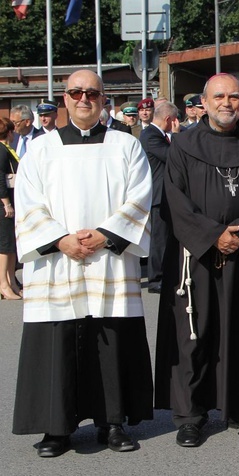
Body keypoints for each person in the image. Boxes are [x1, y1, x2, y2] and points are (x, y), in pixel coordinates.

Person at [12, 69, 154, 457]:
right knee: (58, 340)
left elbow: (140, 196)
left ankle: (114, 423)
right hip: (58, 261)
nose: (84, 99)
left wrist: (106, 235)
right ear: (64, 98)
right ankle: (57, 428)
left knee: (110, 340)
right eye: (76, 92)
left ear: (103, 98)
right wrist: (60, 239)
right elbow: (28, 202)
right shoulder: (41, 149)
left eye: (92, 93)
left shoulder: (125, 145)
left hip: (108, 258)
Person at [154, 73, 239, 448]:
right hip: (194, 256)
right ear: (205, 102)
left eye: (233, 97)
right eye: (218, 97)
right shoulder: (183, 144)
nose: (226, 103)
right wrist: (213, 235)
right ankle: (192, 416)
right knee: (194, 335)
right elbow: (175, 198)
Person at [140, 101, 180, 295]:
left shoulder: (160, 135)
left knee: (167, 238)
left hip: (167, 194)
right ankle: (155, 279)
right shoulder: (151, 135)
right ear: (168, 119)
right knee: (159, 240)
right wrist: (178, 136)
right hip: (158, 195)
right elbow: (171, 156)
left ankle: (164, 274)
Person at [0, 117, 22, 300]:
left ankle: (12, 282)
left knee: (11, 245)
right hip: (4, 205)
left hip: (11, 201)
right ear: (8, 132)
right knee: (5, 245)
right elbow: (0, 178)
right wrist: (6, 203)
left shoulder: (7, 149)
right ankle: (3, 284)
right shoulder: (1, 149)